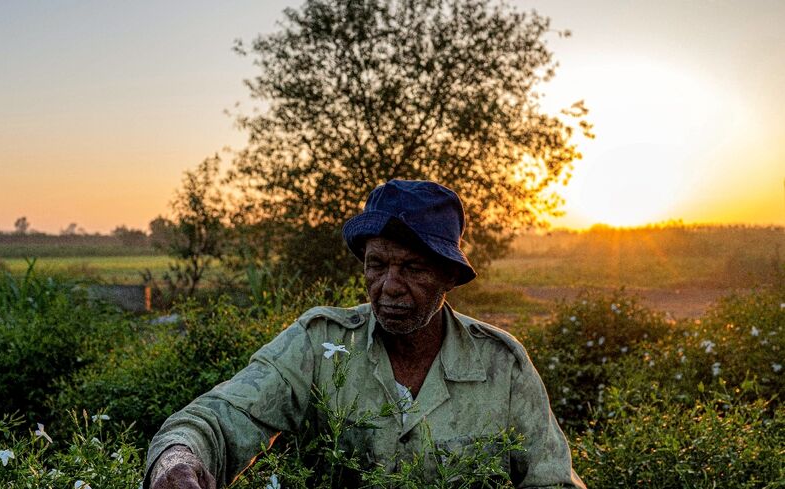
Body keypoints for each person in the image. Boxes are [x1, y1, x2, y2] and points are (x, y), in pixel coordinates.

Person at [146, 180, 586, 489]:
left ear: (448, 276)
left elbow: (551, 479)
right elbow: (222, 417)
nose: (389, 286)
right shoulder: (320, 342)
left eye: (412, 268)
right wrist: (178, 461)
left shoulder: (501, 365)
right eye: (376, 265)